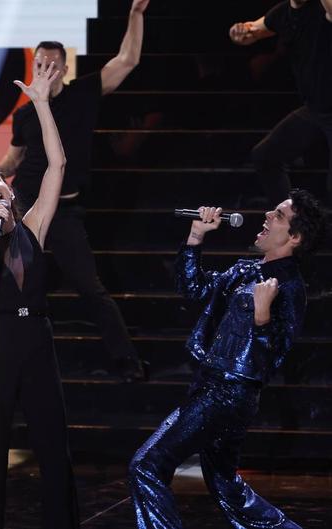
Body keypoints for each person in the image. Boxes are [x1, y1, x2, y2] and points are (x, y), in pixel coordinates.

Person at [0, 0, 150, 381]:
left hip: (64, 210)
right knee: (8, 285)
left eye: (51, 65)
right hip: (22, 209)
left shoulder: (82, 94)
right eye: (38, 64)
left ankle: (127, 360)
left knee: (90, 286)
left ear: (64, 69)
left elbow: (127, 60)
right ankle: (3, 363)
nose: (44, 71)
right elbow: (13, 161)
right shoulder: (23, 114)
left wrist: (134, 14)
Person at [128, 189, 325, 528]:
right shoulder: (246, 270)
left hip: (226, 393)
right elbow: (194, 289)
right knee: (225, 484)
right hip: (215, 386)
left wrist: (262, 317)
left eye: (278, 215)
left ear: (295, 237)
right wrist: (195, 238)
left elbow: (275, 353)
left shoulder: (289, 287)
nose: (266, 216)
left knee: (146, 465)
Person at [0, 58, 77, 529]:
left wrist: (42, 105)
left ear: (6, 185)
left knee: (52, 443)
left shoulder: (33, 224)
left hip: (36, 337)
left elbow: (58, 164)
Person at [230, 0, 332, 206]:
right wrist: (238, 32)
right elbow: (251, 31)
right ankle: (292, 226)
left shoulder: (323, 8)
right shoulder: (283, 13)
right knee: (266, 156)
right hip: (316, 108)